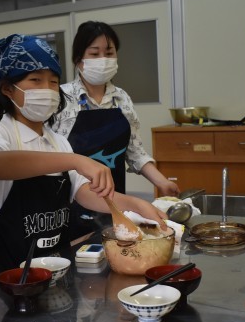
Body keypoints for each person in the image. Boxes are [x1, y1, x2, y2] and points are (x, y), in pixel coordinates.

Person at [0, 34, 167, 279]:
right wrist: (77, 160)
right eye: (36, 80)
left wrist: (135, 204)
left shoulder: (58, 142)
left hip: (54, 265)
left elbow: (85, 192)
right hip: (7, 269)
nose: (47, 89)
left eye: (53, 82)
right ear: (7, 88)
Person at [50, 21, 179, 237]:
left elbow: (135, 152)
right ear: (79, 59)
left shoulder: (121, 98)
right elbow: (52, 157)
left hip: (115, 203)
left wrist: (162, 182)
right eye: (95, 53)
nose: (103, 59)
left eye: (109, 53)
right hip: (68, 205)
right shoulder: (61, 99)